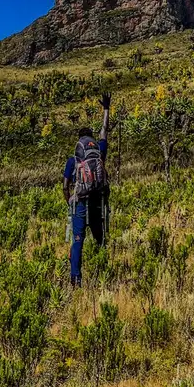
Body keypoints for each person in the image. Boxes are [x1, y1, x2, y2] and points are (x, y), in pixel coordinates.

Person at [63, 92, 111, 286]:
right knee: (99, 237)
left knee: (77, 240)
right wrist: (106, 109)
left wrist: (69, 201)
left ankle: (76, 280)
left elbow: (65, 186)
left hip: (80, 203)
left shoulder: (73, 160)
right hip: (97, 200)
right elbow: (104, 131)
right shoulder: (99, 152)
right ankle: (104, 273)